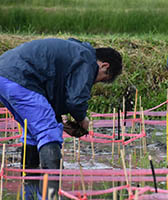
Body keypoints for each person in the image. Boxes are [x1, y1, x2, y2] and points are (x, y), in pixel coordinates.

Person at [0, 38, 123, 199]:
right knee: (49, 132)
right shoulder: (87, 61)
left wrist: (60, 121)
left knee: (32, 133)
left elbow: (54, 92)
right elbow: (76, 100)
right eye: (102, 79)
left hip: (5, 75)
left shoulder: (76, 52)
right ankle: (51, 194)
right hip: (21, 78)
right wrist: (82, 120)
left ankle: (29, 190)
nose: (96, 82)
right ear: (104, 66)